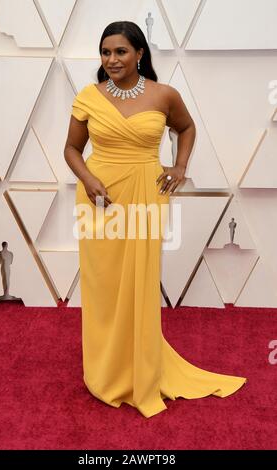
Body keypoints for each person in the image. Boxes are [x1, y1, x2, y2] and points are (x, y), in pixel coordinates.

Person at [64, 21, 247, 418]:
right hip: (99, 199)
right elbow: (72, 150)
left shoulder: (164, 95)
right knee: (103, 284)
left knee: (139, 282)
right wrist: (90, 180)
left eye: (120, 52)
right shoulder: (88, 97)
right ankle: (106, 371)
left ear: (140, 54)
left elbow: (186, 127)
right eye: (106, 52)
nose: (111, 60)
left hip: (147, 194)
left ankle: (141, 368)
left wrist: (180, 166)